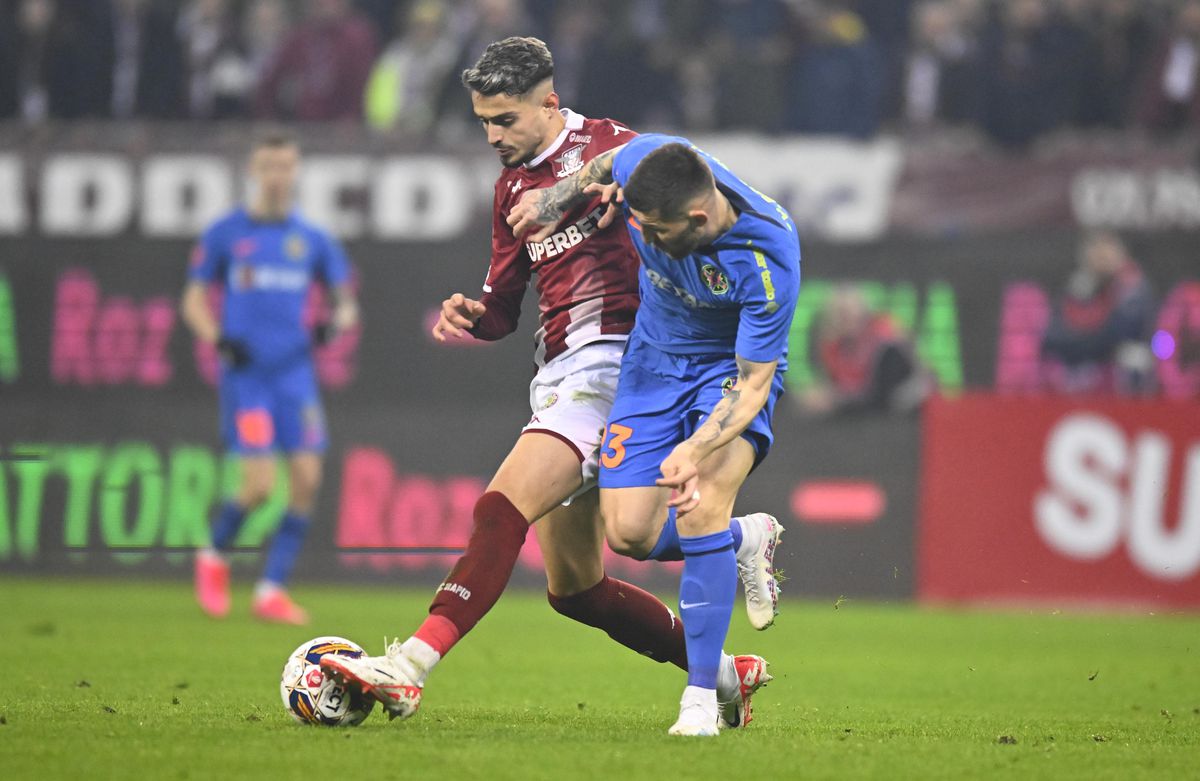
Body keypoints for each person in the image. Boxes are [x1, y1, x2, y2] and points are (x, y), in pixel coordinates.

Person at [321, 37, 778, 733]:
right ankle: (723, 668)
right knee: (576, 588)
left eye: (505, 120)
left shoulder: (617, 147)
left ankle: (409, 667)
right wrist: (475, 314)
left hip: (620, 365)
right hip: (558, 369)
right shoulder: (509, 189)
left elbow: (695, 193)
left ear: (549, 102)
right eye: (482, 121)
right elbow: (505, 303)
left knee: (501, 507)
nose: (492, 136)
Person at [504, 130, 800, 735]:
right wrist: (553, 200)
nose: (649, 241)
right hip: (651, 367)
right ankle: (745, 539)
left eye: (657, 232)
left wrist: (694, 450)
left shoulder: (769, 256)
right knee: (631, 534)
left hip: (726, 372)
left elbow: (752, 386)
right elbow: (608, 161)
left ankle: (700, 701)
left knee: (700, 506)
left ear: (699, 215)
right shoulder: (656, 159)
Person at [183, 131, 360, 624]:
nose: (278, 177)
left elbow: (346, 303)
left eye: (286, 166)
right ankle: (214, 555)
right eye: (269, 167)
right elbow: (193, 301)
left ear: (296, 171)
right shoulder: (226, 234)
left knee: (307, 480)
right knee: (259, 485)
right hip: (248, 379)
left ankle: (270, 590)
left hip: (294, 376)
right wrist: (217, 338)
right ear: (253, 172)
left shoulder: (313, 239)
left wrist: (334, 322)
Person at [1041, 231, 1155, 395]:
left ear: (1120, 254)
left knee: (1133, 361)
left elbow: (1119, 332)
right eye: (1096, 250)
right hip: (1080, 378)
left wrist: (1084, 343)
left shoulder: (1133, 288)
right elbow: (1053, 337)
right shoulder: (1077, 288)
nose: (1101, 256)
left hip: (1123, 380)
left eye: (1106, 250)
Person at [799, 285, 933, 416]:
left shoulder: (886, 342)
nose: (844, 319)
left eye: (847, 312)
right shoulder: (833, 348)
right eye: (839, 314)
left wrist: (834, 401)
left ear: (862, 312)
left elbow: (881, 398)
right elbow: (838, 386)